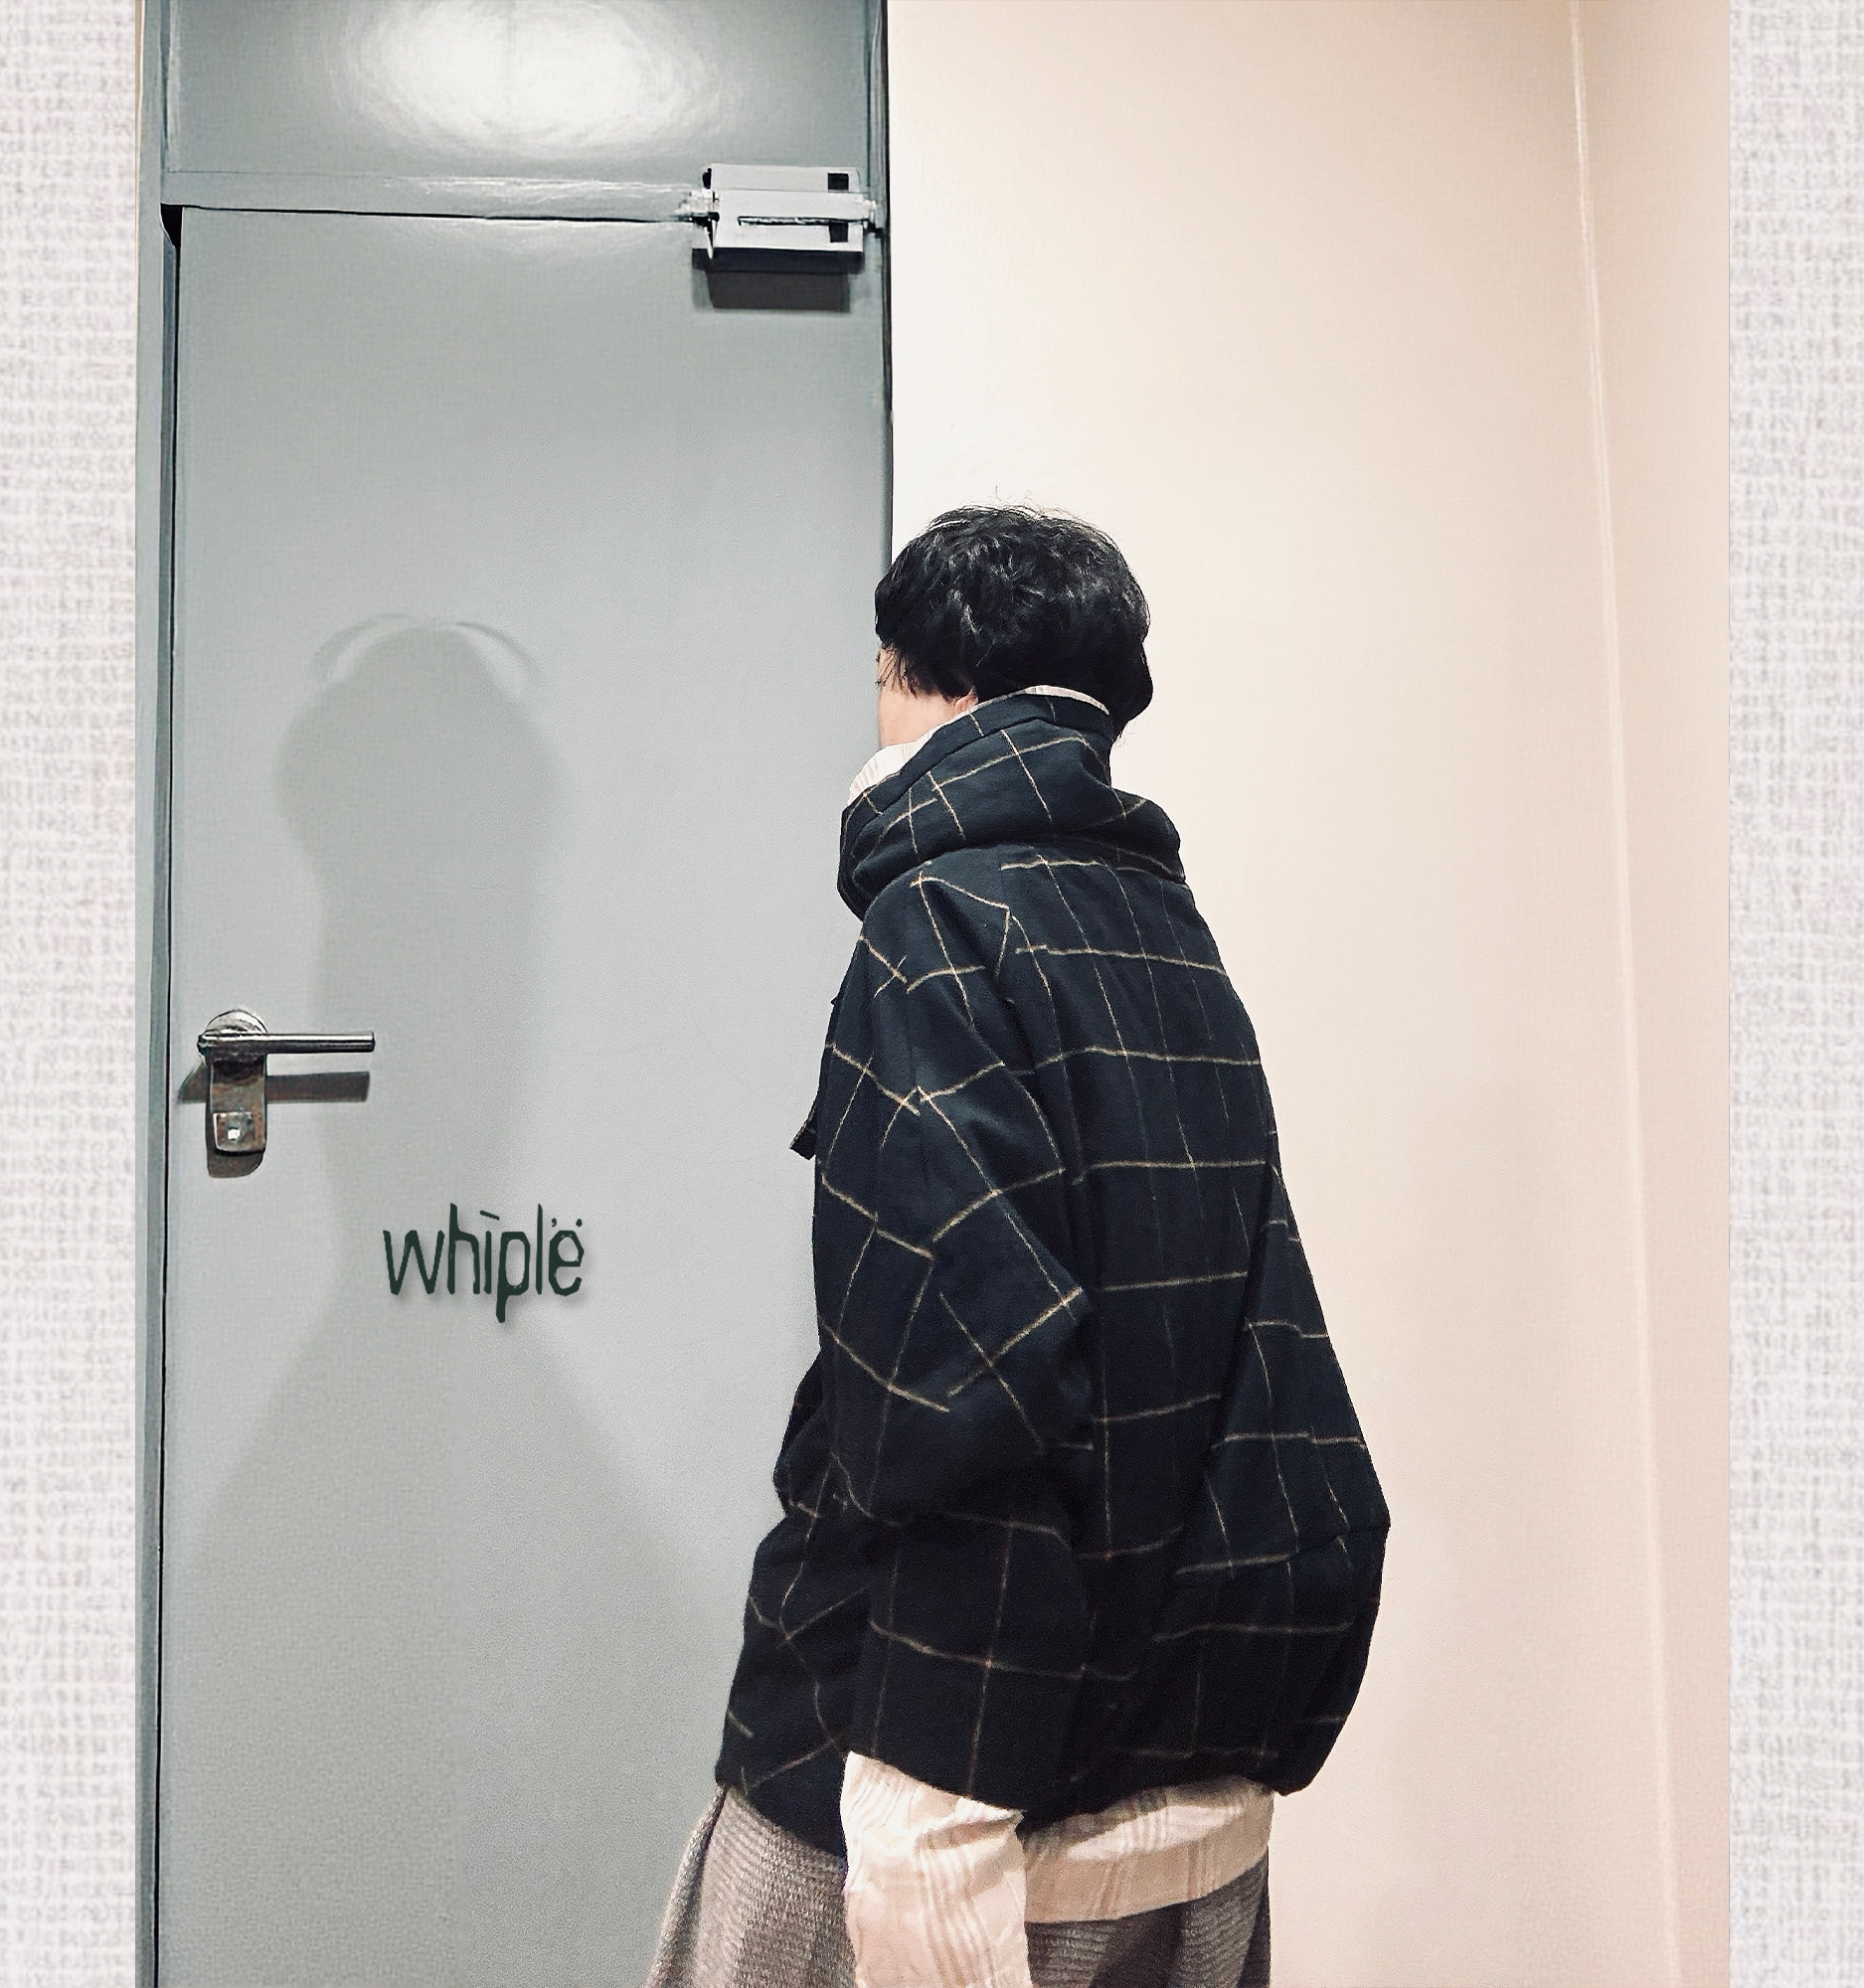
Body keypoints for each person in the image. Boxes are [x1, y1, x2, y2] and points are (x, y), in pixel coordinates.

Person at [646, 508, 1389, 1988]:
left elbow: (957, 1395)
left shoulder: (937, 925)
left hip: (943, 1766)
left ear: (928, 680)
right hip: (1189, 1750)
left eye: (878, 674)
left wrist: (929, 1812)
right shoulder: (1167, 928)